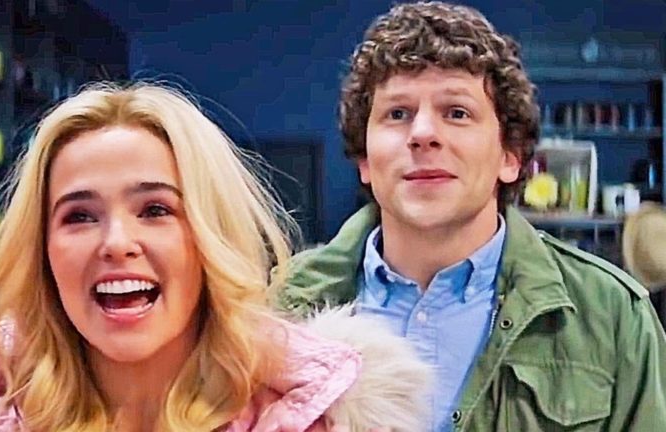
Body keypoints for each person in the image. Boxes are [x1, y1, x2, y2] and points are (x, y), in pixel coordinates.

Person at [0, 83, 430, 431]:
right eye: (79, 216)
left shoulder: (328, 418)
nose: (116, 242)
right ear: (42, 251)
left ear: (209, 239)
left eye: (155, 210)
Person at [276, 2, 666, 431]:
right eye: (397, 114)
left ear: (510, 156)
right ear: (364, 159)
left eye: (457, 113)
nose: (423, 134)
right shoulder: (275, 306)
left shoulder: (612, 315)